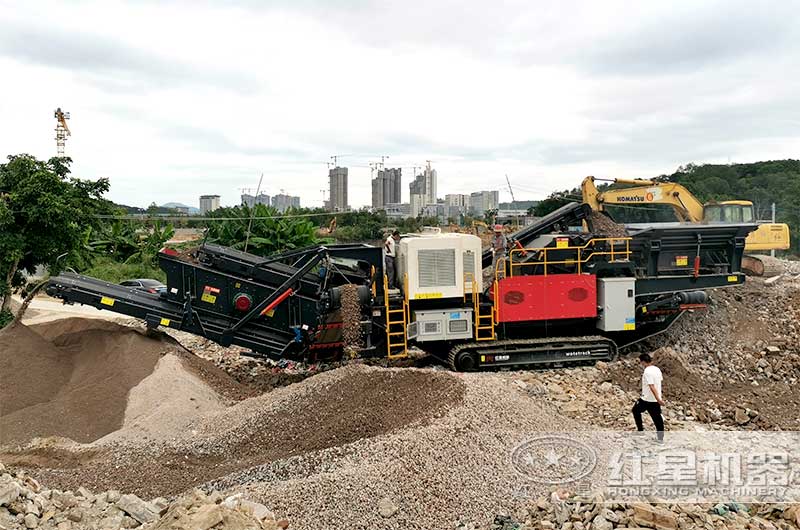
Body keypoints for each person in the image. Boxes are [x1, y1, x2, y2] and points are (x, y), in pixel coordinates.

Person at [632, 352, 665, 442]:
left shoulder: (647, 372)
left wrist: (658, 399)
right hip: (655, 399)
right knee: (657, 419)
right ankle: (660, 439)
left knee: (635, 410)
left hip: (647, 399)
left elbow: (651, 386)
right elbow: (659, 382)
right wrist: (659, 398)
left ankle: (640, 431)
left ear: (643, 362)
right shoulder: (657, 369)